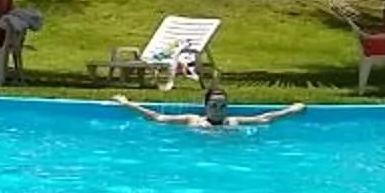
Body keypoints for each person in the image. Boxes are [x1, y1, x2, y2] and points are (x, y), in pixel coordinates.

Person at [112, 83, 305, 131]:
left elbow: (266, 118)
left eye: (222, 106)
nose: (218, 109)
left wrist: (292, 110)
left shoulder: (234, 122)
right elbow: (157, 118)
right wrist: (127, 103)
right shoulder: (193, 121)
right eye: (214, 105)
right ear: (205, 107)